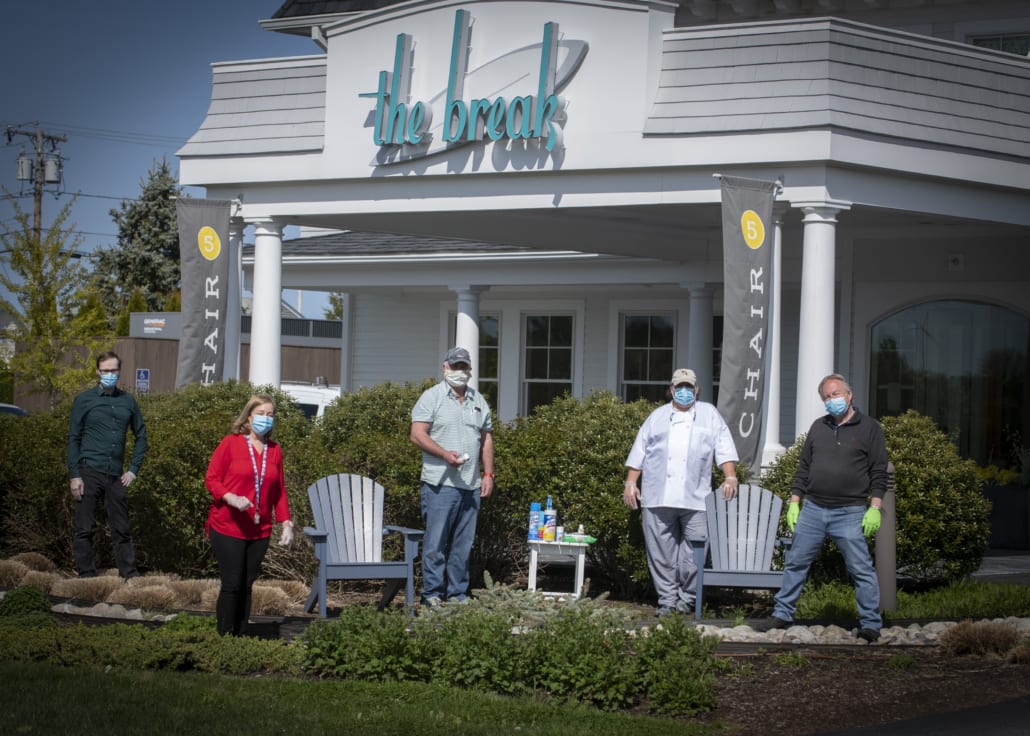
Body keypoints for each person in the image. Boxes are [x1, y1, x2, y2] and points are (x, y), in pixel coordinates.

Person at [761, 373, 887, 642]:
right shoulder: (819, 426)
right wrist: (794, 501)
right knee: (795, 563)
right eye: (827, 397)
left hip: (850, 511)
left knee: (861, 569)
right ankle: (783, 614)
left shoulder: (870, 428)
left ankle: (871, 624)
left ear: (849, 395)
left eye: (836, 394)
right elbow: (804, 467)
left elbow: (879, 471)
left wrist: (875, 507)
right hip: (813, 509)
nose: (832, 400)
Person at [624, 368, 740, 617]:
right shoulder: (656, 417)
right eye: (679, 387)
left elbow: (724, 446)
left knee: (694, 552)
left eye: (689, 387)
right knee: (661, 553)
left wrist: (730, 475)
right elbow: (639, 451)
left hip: (696, 497)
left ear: (696, 390)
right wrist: (631, 483)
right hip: (657, 496)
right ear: (671, 390)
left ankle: (687, 599)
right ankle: (666, 600)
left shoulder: (709, 414)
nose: (684, 391)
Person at [410, 346, 495, 606]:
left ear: (469, 370)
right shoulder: (431, 397)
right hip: (440, 484)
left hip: (471, 484)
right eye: (455, 366)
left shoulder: (478, 400)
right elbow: (417, 435)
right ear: (445, 367)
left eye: (463, 366)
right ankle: (432, 594)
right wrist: (445, 455)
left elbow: (486, 439)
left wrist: (488, 474)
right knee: (435, 544)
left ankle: (457, 595)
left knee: (463, 545)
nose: (459, 370)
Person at [204, 394, 293, 636]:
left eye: (270, 415)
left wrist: (286, 522)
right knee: (232, 583)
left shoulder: (274, 450)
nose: (266, 418)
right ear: (249, 417)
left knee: (246, 584)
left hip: (259, 529)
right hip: (228, 525)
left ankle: (241, 635)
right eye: (261, 414)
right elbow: (212, 479)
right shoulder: (230, 443)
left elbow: (279, 490)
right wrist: (230, 497)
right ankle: (224, 636)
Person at [67, 351, 148, 579]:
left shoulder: (128, 401)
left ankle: (129, 574)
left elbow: (141, 435)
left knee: (121, 528)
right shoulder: (84, 400)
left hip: (115, 474)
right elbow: (73, 438)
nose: (109, 374)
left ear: (119, 371)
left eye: (113, 370)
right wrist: (75, 475)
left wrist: (133, 469)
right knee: (85, 527)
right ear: (97, 372)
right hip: (89, 470)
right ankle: (86, 576)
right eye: (105, 371)